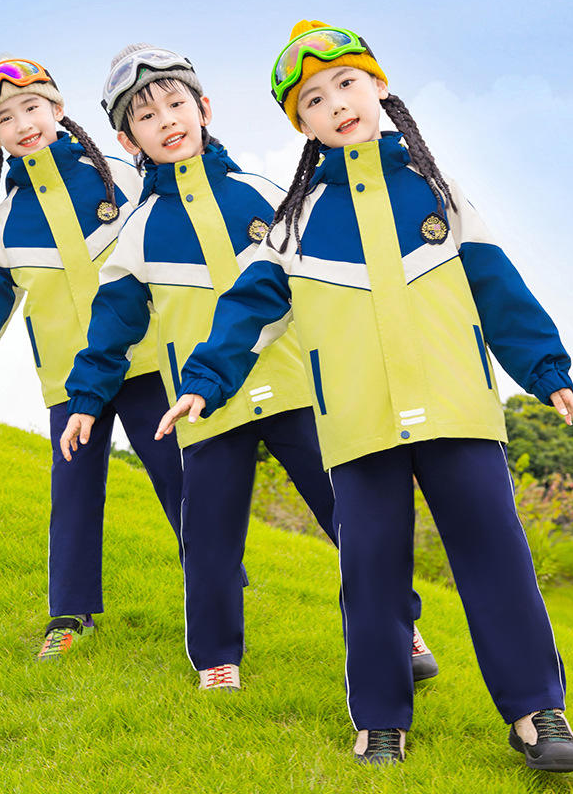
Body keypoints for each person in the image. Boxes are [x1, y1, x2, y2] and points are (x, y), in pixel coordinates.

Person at [156, 21, 573, 772]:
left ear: (379, 87)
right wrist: (203, 383)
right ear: (303, 125)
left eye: (347, 85)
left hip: (458, 410)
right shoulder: (290, 224)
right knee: (371, 574)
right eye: (314, 100)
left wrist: (547, 373)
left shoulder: (439, 192)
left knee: (497, 559)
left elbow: (500, 292)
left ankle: (536, 715)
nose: (336, 104)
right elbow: (246, 313)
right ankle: (381, 720)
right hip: (357, 428)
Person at [61, 44, 437, 691]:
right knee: (207, 541)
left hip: (295, 388)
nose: (169, 120)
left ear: (203, 107)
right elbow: (112, 328)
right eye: (149, 117)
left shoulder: (267, 195)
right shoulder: (139, 231)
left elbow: (331, 280)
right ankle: (216, 661)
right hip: (203, 409)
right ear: (128, 139)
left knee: (352, 514)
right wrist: (87, 399)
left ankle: (399, 627)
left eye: (177, 104)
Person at [0, 58, 184, 661]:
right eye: (3, 119)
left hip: (144, 363)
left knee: (182, 481)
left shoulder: (120, 176)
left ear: (58, 109)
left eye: (31, 109)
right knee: (73, 494)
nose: (21, 124)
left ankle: (220, 585)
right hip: (70, 384)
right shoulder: (5, 220)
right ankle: (69, 615)